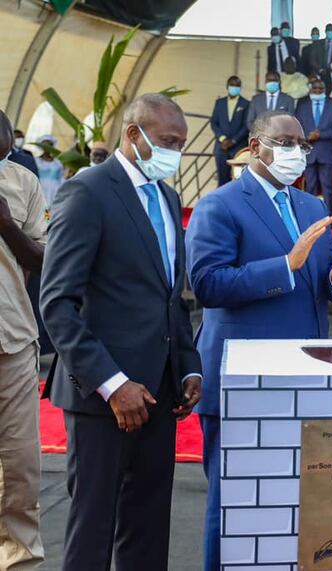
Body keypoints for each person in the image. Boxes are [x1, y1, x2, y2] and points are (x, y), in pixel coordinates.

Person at [186, 110, 332, 571]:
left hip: (305, 374)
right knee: (232, 505)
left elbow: (323, 276)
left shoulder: (310, 206)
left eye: (302, 146)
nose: (296, 154)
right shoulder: (220, 204)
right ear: (255, 145)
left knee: (297, 503)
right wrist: (285, 266)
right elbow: (207, 285)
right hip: (242, 379)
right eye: (284, 143)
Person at [40, 93, 203, 570]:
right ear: (134, 134)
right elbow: (57, 304)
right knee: (92, 527)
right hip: (102, 398)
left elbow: (170, 297)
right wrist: (112, 384)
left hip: (159, 392)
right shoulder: (87, 191)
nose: (175, 152)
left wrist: (188, 368)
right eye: (168, 142)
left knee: (148, 526)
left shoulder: (168, 197)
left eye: (181, 143)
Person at [0, 110, 46, 571]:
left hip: (11, 339)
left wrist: (6, 224)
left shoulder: (23, 182)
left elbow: (41, 257)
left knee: (20, 465)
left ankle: (19, 559)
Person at [295, 79, 332, 217]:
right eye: (314, 89)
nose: (317, 91)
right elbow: (297, 127)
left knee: (327, 186)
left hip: (326, 152)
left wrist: (320, 135)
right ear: (310, 90)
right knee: (310, 186)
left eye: (320, 89)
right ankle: (310, 217)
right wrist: (305, 137)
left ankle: (327, 216)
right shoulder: (302, 107)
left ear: (324, 90)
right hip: (308, 152)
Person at [210, 75, 250, 186]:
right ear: (227, 86)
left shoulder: (246, 104)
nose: (235, 87)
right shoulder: (220, 102)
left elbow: (246, 126)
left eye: (237, 85)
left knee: (238, 179)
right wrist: (222, 139)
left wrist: (233, 141)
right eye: (232, 85)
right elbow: (214, 122)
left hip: (238, 147)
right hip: (221, 147)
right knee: (222, 180)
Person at [34, 134, 64, 209]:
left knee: (52, 210)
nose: (47, 147)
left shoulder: (58, 163)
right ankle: (45, 220)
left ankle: (49, 220)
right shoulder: (36, 161)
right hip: (41, 189)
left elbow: (61, 177)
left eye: (49, 145)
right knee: (43, 209)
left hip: (55, 191)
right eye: (45, 145)